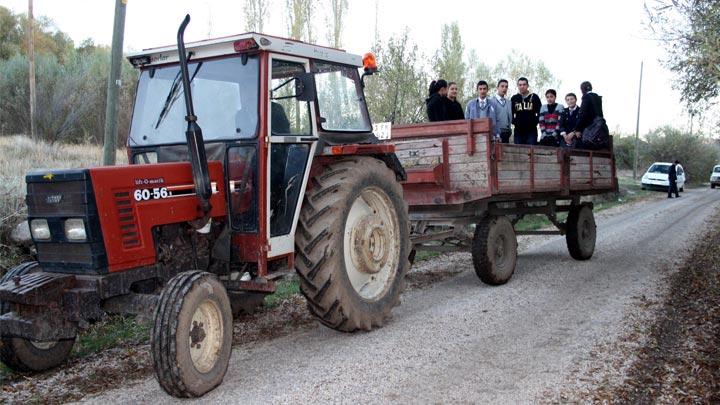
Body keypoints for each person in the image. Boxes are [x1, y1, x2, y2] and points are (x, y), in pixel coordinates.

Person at [563, 81, 604, 147]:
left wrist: (576, 130)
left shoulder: (586, 97)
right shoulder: (597, 98)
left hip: (590, 129)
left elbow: (583, 115)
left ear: (582, 89)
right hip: (598, 128)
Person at [511, 77, 542, 145]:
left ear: (527, 85)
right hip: (518, 130)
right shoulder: (514, 98)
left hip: (531, 130)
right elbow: (511, 113)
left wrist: (535, 122)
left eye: (524, 84)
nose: (522, 86)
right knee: (519, 151)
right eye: (520, 85)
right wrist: (514, 122)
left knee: (531, 151)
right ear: (518, 86)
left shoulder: (534, 97)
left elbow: (540, 112)